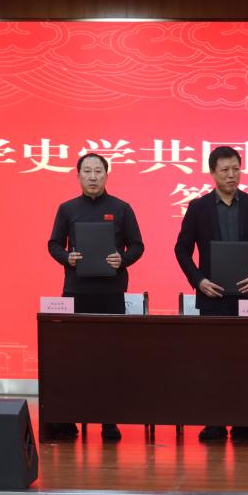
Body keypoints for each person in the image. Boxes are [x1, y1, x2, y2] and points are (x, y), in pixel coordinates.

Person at [174, 146, 248, 442]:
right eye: (225, 170)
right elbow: (181, 249)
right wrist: (198, 280)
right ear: (212, 173)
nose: (231, 175)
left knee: (247, 360)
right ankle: (215, 422)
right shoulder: (198, 208)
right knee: (214, 361)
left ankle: (246, 422)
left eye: (236, 169)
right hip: (212, 297)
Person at [47, 152, 145, 442]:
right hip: (76, 292)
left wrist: (122, 259)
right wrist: (67, 257)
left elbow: (137, 246)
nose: (92, 176)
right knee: (73, 358)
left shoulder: (122, 208)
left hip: (111, 294)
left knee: (109, 358)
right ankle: (68, 419)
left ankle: (109, 421)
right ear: (78, 176)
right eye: (87, 171)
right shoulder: (67, 209)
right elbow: (53, 244)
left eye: (98, 171)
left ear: (106, 175)